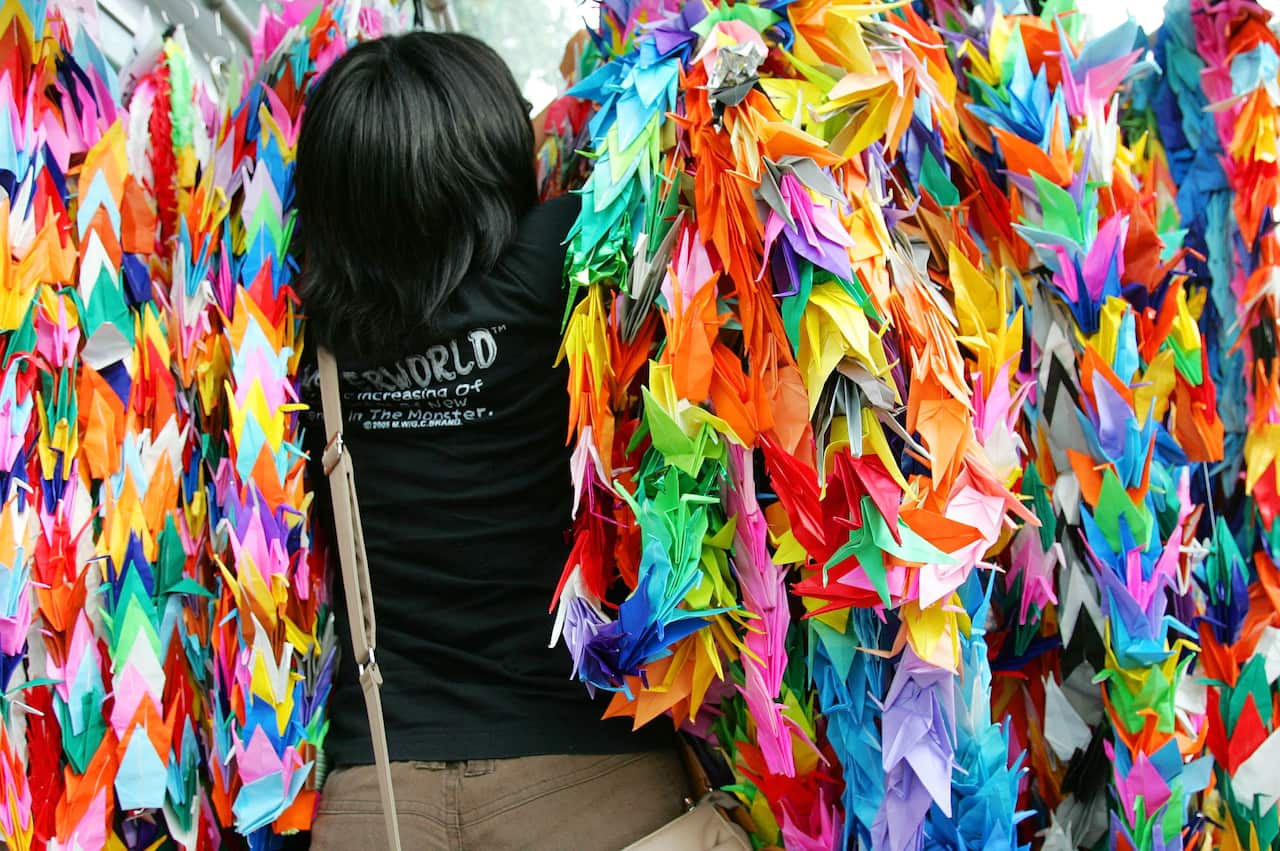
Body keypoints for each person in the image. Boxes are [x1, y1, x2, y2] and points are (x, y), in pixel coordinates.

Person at [295, 31, 681, 851]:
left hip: (377, 796)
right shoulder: (564, 260)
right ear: (491, 152)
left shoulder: (309, 334)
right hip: (594, 783)